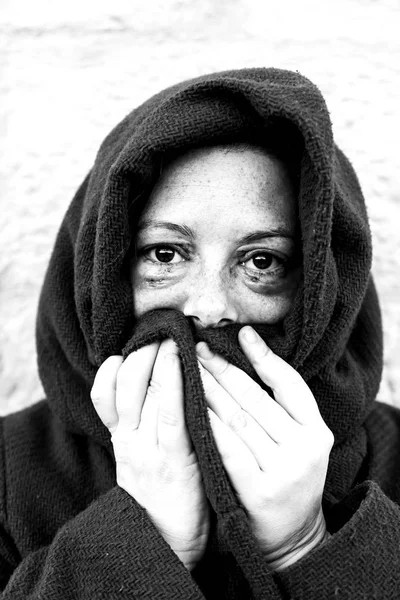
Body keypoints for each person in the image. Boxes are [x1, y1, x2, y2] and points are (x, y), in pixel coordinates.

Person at [1, 67, 400, 599]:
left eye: (262, 260)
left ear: (323, 286)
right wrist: (143, 543)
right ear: (103, 270)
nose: (209, 308)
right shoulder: (7, 471)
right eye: (164, 254)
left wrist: (306, 545)